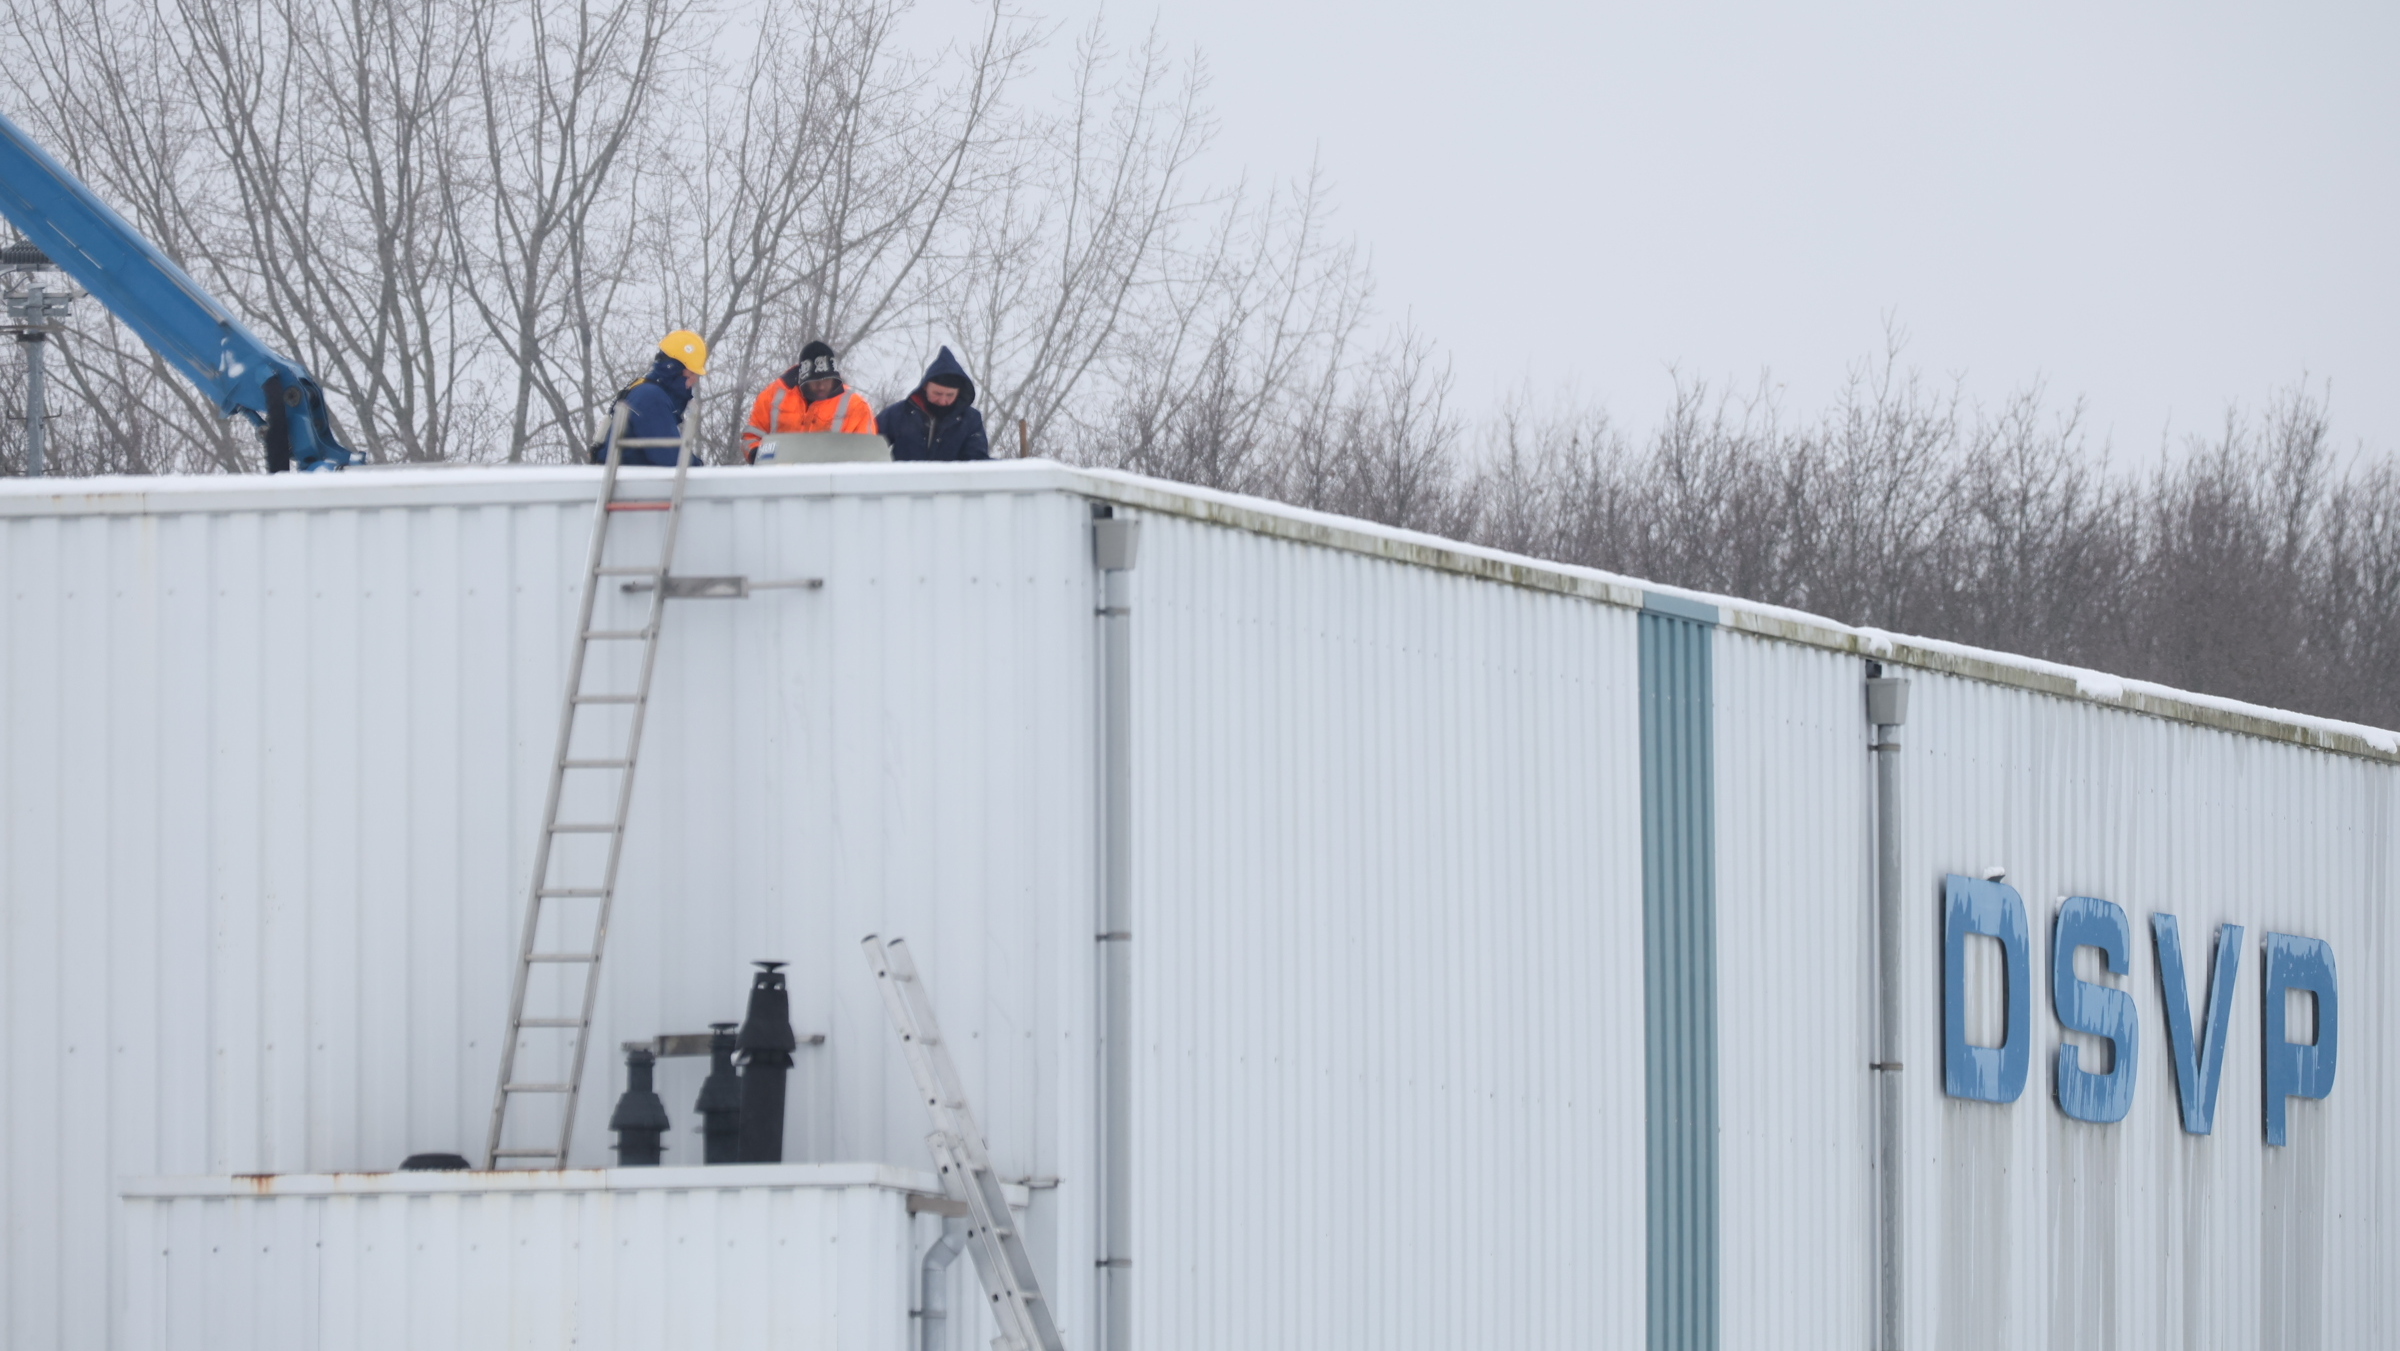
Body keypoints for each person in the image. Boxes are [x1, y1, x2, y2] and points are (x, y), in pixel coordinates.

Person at [742, 340, 878, 463]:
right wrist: (761, 457)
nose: (821, 386)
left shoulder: (856, 406)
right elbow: (752, 437)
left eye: (827, 380)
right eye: (815, 381)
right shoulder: (773, 395)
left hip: (832, 485)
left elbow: (868, 453)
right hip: (780, 482)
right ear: (802, 379)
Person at [591, 330, 709, 466]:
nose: (694, 380)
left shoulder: (646, 392)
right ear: (673, 369)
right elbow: (670, 457)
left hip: (630, 480)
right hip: (629, 484)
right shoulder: (651, 398)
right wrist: (699, 469)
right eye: (691, 373)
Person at [878, 346, 989, 462]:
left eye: (950, 395)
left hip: (950, 480)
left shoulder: (970, 420)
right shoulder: (899, 414)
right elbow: (868, 446)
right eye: (937, 393)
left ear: (959, 392)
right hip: (903, 479)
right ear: (925, 387)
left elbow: (977, 461)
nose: (942, 400)